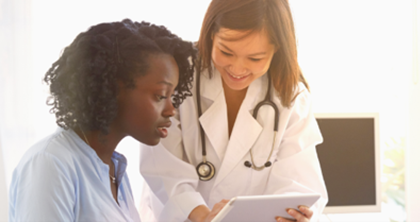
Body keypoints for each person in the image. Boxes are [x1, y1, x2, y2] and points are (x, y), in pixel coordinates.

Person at [139, 0, 328, 221]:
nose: (237, 69)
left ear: (277, 48)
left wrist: (297, 215)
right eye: (226, 52)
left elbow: (299, 185)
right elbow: (162, 168)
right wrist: (204, 216)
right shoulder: (176, 74)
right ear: (211, 34)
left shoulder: (290, 96)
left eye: (255, 58)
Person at [8, 19, 196, 222]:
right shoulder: (50, 163)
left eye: (172, 96)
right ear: (114, 89)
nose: (171, 110)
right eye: (161, 95)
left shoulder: (114, 170)